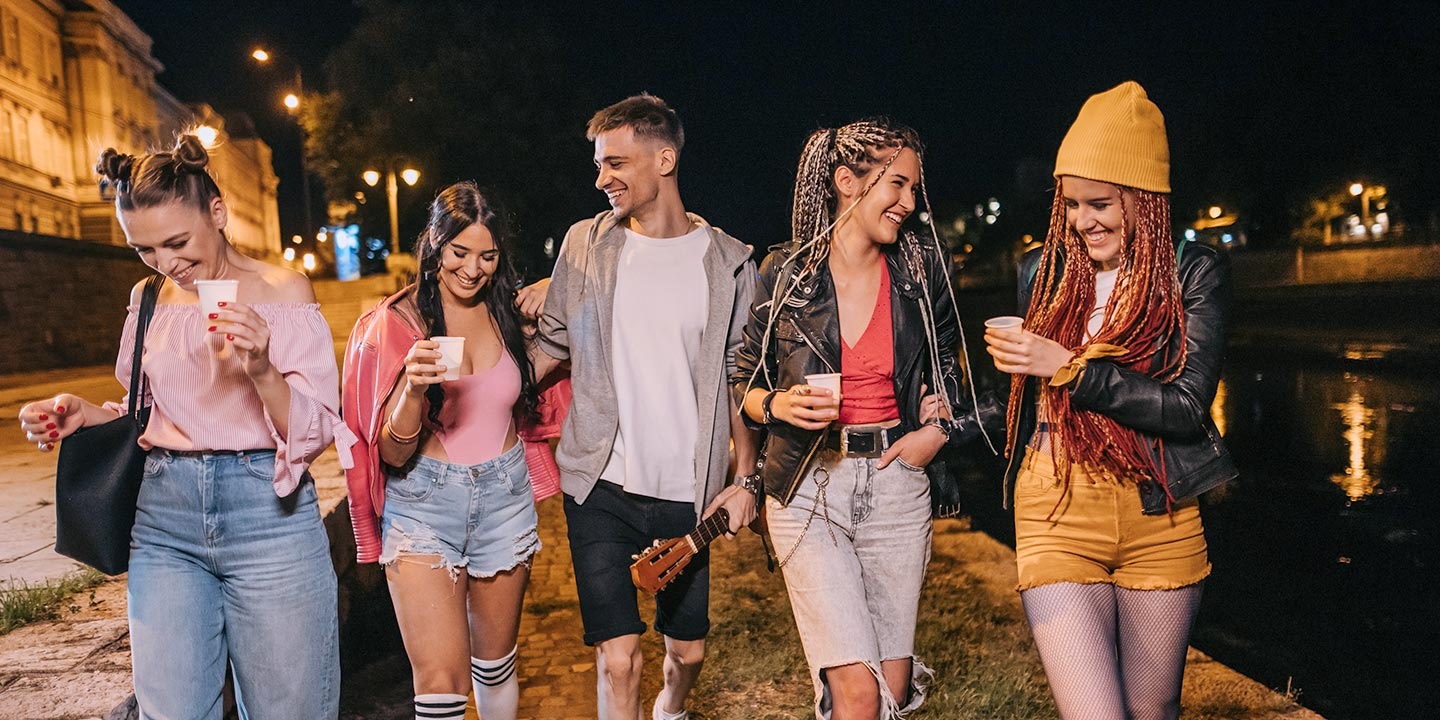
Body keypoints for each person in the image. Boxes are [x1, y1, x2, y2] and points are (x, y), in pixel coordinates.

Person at [16, 135, 347, 718]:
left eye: (176, 243)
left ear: (216, 213)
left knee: (290, 709)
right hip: (164, 520)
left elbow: (315, 430)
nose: (166, 263)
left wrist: (262, 368)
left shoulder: (284, 291)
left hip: (268, 516)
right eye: (144, 249)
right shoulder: (148, 299)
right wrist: (83, 414)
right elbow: (142, 412)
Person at [983, 81, 1237, 720]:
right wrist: (942, 423)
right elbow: (1015, 400)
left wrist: (1070, 368)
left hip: (1159, 511)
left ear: (1144, 200)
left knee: (1153, 710)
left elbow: (1186, 409)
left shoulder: (1192, 272)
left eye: (1100, 203)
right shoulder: (1042, 272)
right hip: (1056, 505)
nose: (1082, 221)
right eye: (1071, 204)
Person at [732, 119, 985, 720]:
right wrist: (777, 405)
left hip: (898, 484)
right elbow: (743, 377)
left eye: (915, 188)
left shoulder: (922, 267)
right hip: (808, 485)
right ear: (847, 181)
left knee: (891, 692)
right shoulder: (787, 272)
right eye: (897, 184)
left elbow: (953, 370)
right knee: (858, 691)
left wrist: (936, 431)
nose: (909, 202)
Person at [533, 93, 760, 720]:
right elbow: (549, 347)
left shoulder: (730, 265)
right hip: (599, 486)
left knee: (687, 652)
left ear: (664, 159)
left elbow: (740, 382)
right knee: (618, 660)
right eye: (598, 165)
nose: (601, 179)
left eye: (615, 163)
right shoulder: (585, 245)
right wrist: (473, 377)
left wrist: (745, 479)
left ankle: (671, 705)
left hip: (686, 494)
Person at [341, 181, 557, 720]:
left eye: (488, 256)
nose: (472, 269)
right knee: (441, 681)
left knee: (495, 664)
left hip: (505, 498)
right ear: (435, 244)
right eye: (460, 252)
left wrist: (558, 288)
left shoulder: (509, 313)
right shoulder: (399, 324)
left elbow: (572, 344)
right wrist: (413, 389)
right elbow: (391, 455)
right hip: (423, 506)